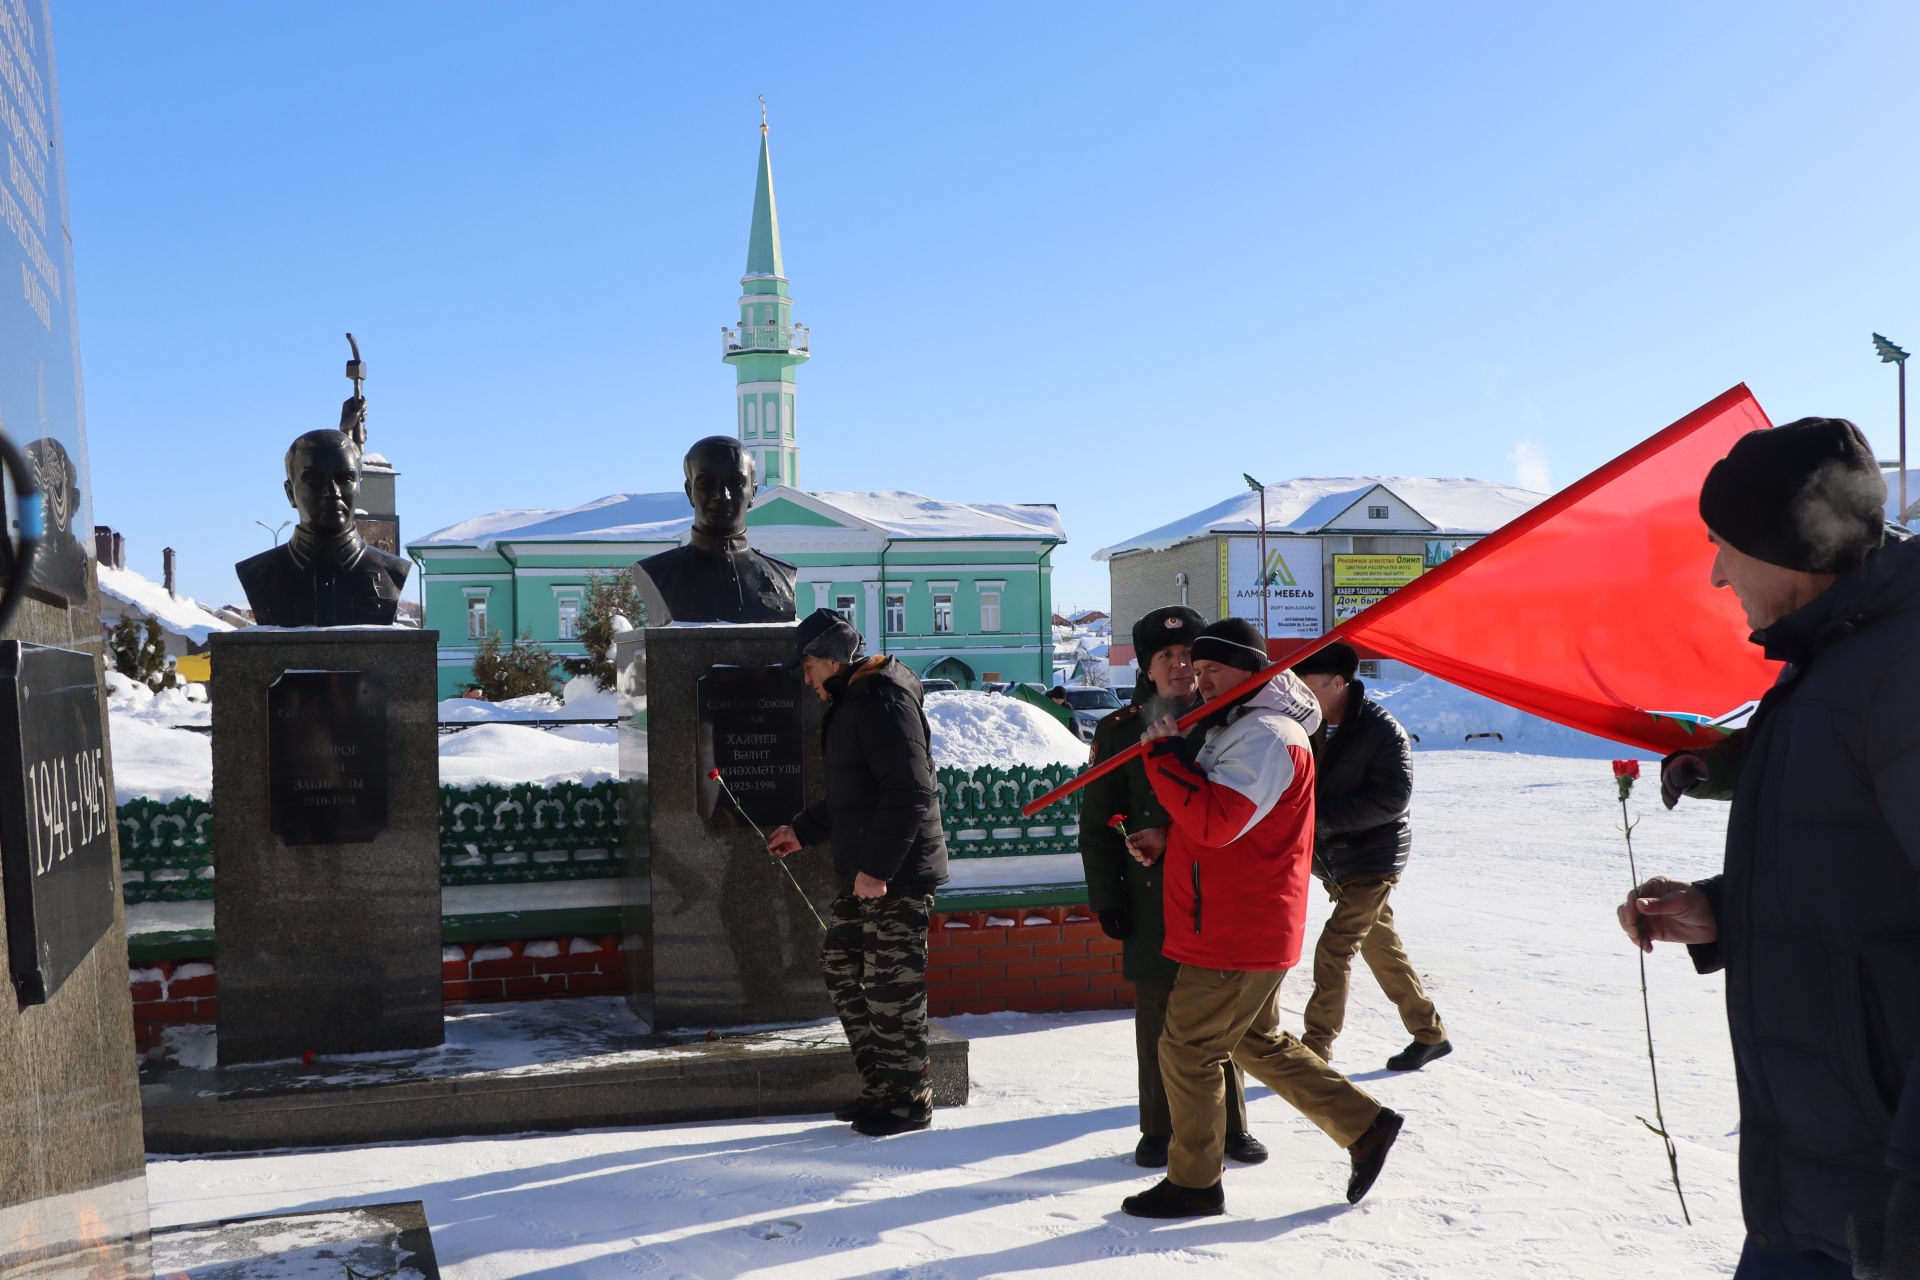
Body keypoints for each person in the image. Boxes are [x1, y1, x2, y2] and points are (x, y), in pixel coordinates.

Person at [1616, 417, 1920, 1278]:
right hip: (1816, 1182)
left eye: (1723, 547)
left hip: (1885, 1197)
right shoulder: (1825, 658)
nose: (1715, 573)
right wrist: (1725, 909)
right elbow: (1857, 870)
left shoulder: (1901, 668)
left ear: (1786, 548)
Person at [1121, 617, 1403, 1218]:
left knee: (1189, 1049)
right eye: (1197, 672)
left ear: (1254, 669)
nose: (1201, 682)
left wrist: (1167, 760)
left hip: (1235, 925)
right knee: (1254, 1042)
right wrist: (1170, 838)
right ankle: (1365, 1125)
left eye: (1213, 669)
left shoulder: (1267, 734)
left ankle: (1195, 1182)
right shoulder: (1245, 728)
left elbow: (1217, 822)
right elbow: (1235, 822)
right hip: (1237, 915)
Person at [1079, 606, 1267, 1169]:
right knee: (1158, 1017)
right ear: (1147, 668)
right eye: (1168, 657)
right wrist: (1109, 900)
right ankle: (1159, 1131)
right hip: (1153, 899)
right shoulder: (1120, 732)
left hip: (1219, 894)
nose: (1183, 665)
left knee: (1224, 1014)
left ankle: (1231, 1127)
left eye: (1191, 655)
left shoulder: (1233, 724)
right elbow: (1098, 824)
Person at [767, 609, 948, 1137]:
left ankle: (908, 1098)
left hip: (897, 874)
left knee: (894, 986)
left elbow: (911, 790)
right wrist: (803, 829)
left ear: (828, 659)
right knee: (843, 962)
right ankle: (884, 1087)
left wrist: (877, 868)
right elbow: (856, 795)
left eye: (807, 669)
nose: (806, 681)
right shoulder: (855, 700)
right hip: (873, 869)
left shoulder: (883, 699)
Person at [1291, 641, 1450, 1072]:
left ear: (1339, 683)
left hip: (1373, 860)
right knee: (1381, 948)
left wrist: (1318, 821)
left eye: (1309, 686)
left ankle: (1316, 1048)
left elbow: (1392, 799)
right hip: (1335, 861)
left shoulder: (1381, 730)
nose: (1302, 696)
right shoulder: (1309, 726)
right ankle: (1429, 1033)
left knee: (1335, 947)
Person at [234, 429, 411, 626]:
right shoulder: (257, 574)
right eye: (314, 479)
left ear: (359, 487)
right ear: (290, 493)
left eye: (345, 478)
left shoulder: (392, 572)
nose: (332, 492)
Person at [634, 436, 798, 624]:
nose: (722, 495)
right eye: (707, 484)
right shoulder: (658, 573)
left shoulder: (783, 575)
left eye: (736, 483)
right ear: (689, 492)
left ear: (752, 493)